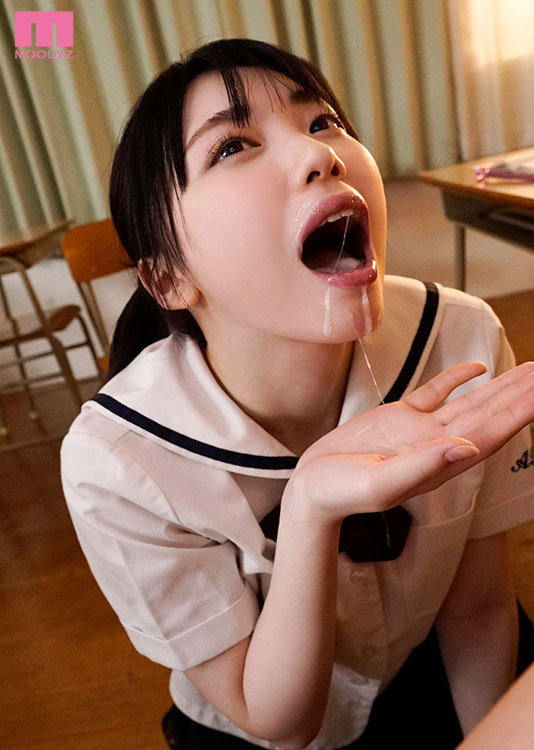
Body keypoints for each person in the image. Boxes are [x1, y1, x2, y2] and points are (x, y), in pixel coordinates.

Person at [61, 38, 534, 750]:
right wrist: (310, 506)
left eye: (322, 122)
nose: (321, 154)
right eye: (232, 146)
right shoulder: (116, 463)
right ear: (169, 279)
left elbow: (479, 610)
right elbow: (278, 721)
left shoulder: (458, 340)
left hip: (430, 670)